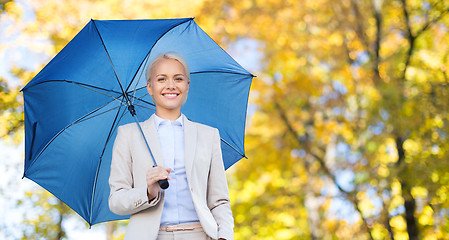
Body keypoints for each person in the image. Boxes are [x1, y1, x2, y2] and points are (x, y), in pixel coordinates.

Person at [109, 52, 234, 240]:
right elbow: (116, 201)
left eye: (178, 79)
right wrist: (148, 192)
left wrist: (224, 235)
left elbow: (219, 201)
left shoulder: (208, 135)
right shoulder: (129, 134)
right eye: (161, 79)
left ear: (187, 86)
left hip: (201, 234)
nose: (171, 85)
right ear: (150, 87)